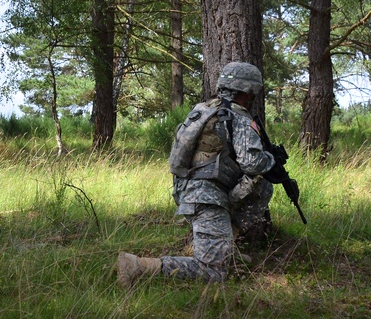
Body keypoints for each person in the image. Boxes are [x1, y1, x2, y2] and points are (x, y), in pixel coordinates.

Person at [117, 61, 275, 288]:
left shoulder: (202, 110)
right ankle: (139, 265)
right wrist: (270, 159)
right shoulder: (238, 118)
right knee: (213, 272)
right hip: (207, 199)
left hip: (189, 191)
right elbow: (252, 163)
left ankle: (222, 246)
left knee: (262, 187)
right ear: (247, 92)